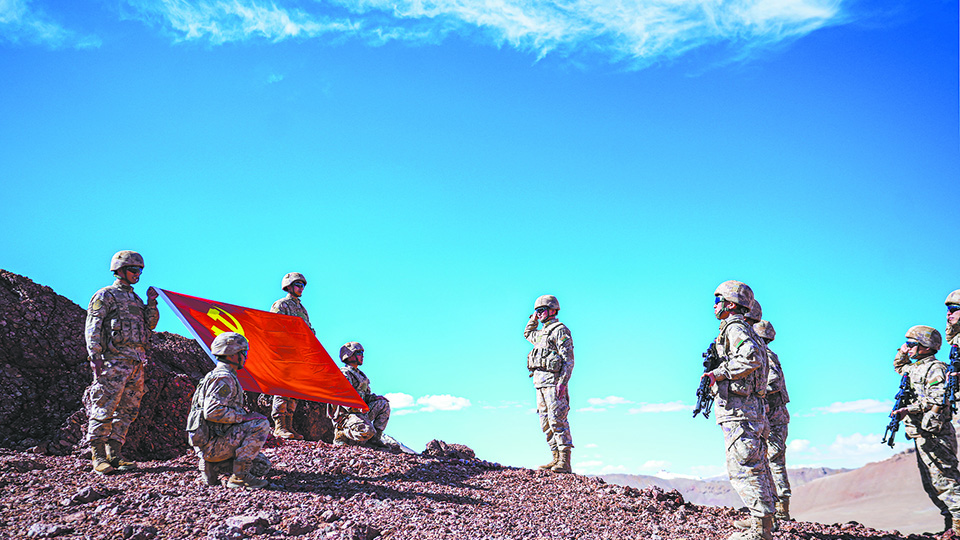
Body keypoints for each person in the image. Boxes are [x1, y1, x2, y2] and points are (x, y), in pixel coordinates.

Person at [702, 280, 776, 540]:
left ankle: (760, 531)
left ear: (730, 304)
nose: (714, 306)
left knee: (743, 466)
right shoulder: (742, 328)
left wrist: (718, 374)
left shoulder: (735, 328)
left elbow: (752, 357)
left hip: (741, 409)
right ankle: (764, 522)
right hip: (749, 408)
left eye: (717, 300)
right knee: (756, 464)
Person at [83, 250, 159, 475]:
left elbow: (150, 324)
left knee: (128, 410)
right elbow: (93, 326)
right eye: (134, 270)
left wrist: (152, 303)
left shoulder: (136, 299)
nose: (138, 274)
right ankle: (98, 456)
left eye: (140, 270)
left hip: (136, 362)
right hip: (113, 361)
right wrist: (94, 356)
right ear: (120, 270)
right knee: (104, 406)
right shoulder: (105, 295)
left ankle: (115, 454)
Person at [891, 324, 960, 535]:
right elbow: (899, 367)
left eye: (912, 344)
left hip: (936, 434)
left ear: (926, 347)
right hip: (921, 434)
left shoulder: (936, 368)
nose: (907, 348)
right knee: (931, 484)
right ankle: (951, 528)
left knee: (946, 481)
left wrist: (907, 409)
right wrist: (901, 352)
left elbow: (937, 398)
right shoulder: (915, 367)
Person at [186, 332, 272, 489]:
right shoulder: (224, 378)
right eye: (242, 353)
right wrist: (243, 418)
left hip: (209, 442)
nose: (245, 357)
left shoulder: (215, 375)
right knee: (261, 423)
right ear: (232, 355)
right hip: (213, 444)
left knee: (261, 465)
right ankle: (240, 477)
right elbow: (212, 412)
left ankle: (212, 467)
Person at [524, 294, 575, 474]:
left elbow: (568, 359)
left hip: (554, 384)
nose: (538, 314)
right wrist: (532, 319)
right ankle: (555, 458)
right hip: (540, 383)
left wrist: (562, 383)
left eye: (541, 310)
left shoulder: (560, 330)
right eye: (536, 311)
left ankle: (564, 461)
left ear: (552, 310)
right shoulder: (541, 334)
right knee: (545, 422)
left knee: (557, 419)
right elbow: (528, 334)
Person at [753, 319, 792, 522]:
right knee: (769, 460)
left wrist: (758, 394)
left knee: (774, 460)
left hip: (775, 416)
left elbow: (773, 381)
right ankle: (774, 509)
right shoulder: (766, 353)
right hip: (772, 415)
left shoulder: (766, 355)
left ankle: (780, 510)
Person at [268, 272, 314, 440]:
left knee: (294, 391)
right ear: (288, 286)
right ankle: (279, 426)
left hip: (299, 355)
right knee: (282, 389)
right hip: (285, 353)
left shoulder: (302, 309)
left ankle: (289, 425)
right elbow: (273, 328)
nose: (301, 288)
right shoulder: (281, 305)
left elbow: (308, 331)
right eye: (297, 285)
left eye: (302, 285)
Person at [330, 342, 392, 447]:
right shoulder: (344, 374)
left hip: (359, 412)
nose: (362, 356)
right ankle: (341, 434)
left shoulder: (360, 375)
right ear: (349, 355)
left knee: (383, 404)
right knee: (367, 431)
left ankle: (374, 440)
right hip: (346, 416)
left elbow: (365, 396)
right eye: (359, 352)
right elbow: (343, 398)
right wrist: (358, 408)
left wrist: (374, 398)